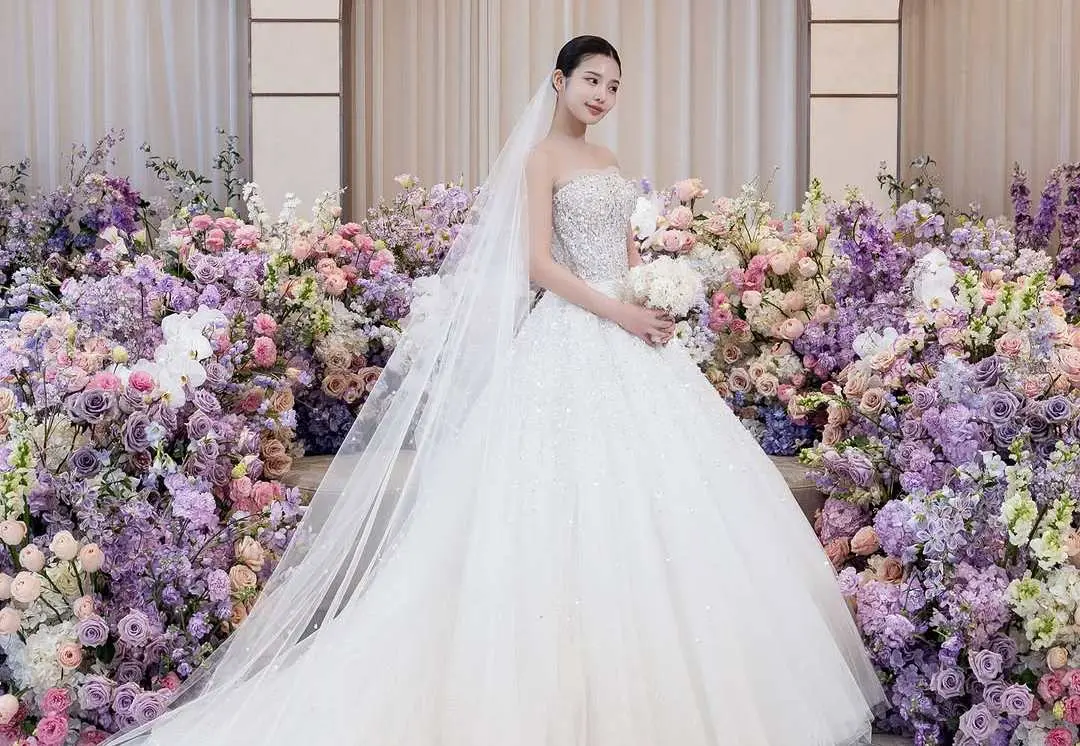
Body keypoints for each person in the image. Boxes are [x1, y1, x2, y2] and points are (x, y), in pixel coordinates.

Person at [105, 35, 885, 746]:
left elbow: (624, 253)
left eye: (614, 85)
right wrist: (618, 310)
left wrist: (653, 299)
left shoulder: (609, 160)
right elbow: (539, 266)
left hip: (633, 335)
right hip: (573, 332)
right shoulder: (541, 159)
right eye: (592, 80)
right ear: (560, 80)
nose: (603, 94)